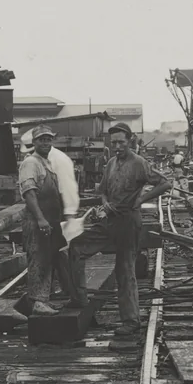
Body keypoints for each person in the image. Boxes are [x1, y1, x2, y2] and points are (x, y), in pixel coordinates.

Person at [71, 121, 169, 338]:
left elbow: (164, 183)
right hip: (109, 220)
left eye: (121, 142)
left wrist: (141, 199)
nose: (117, 146)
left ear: (130, 140)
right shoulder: (111, 163)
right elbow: (104, 190)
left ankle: (131, 320)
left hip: (128, 221)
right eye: (113, 142)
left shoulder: (139, 163)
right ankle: (79, 299)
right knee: (76, 247)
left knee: (124, 271)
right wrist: (104, 201)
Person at [18, 126, 85, 316]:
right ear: (34, 142)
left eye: (48, 139)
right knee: (38, 260)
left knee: (48, 261)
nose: (46, 143)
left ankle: (43, 300)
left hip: (50, 222)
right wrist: (40, 219)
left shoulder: (47, 163)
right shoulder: (31, 163)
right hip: (38, 221)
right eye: (41, 140)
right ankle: (37, 302)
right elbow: (29, 193)